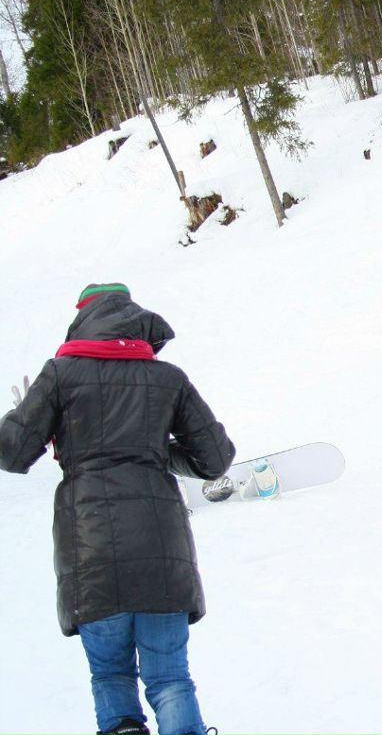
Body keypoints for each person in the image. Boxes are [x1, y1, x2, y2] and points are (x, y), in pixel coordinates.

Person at [0, 283, 235, 735]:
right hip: (160, 550)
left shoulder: (61, 374)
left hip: (90, 551)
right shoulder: (168, 379)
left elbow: (12, 453)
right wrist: (152, 449)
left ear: (84, 321)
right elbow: (215, 459)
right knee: (170, 679)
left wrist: (32, 419)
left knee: (111, 676)